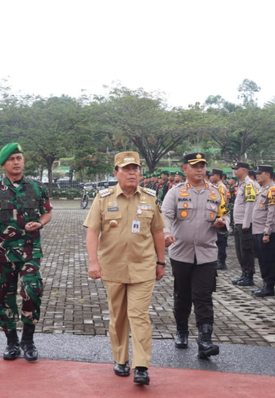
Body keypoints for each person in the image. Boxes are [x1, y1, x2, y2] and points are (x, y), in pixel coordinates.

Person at [84, 151, 165, 386]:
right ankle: (121, 359)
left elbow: (158, 231)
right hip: (113, 267)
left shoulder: (150, 198)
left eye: (135, 169)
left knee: (139, 316)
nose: (132, 173)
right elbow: (92, 231)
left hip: (143, 266)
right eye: (126, 169)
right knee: (118, 316)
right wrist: (93, 261)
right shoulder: (103, 198)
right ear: (116, 173)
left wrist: (161, 262)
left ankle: (141, 365)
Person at [0, 143, 52, 362]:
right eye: (11, 159)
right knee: (3, 295)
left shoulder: (37, 187)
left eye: (19, 158)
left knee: (32, 288)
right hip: (3, 253)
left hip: (30, 251)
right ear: (3, 164)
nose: (16, 162)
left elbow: (47, 212)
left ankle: (28, 339)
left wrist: (39, 223)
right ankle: (11, 341)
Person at [162, 153, 228, 358]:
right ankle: (181, 331)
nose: (200, 169)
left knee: (203, 296)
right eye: (195, 166)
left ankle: (205, 340)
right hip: (181, 253)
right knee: (183, 295)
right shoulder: (175, 192)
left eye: (202, 166)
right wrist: (165, 233)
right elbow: (165, 216)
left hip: (207, 253)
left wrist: (222, 223)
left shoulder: (216, 192)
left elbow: (225, 216)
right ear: (185, 169)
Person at [251, 165, 275, 297]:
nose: (257, 176)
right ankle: (265, 284)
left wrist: (267, 232)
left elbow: (272, 213)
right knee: (262, 260)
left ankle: (269, 286)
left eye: (260, 173)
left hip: (266, 232)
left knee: (268, 260)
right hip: (258, 230)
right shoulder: (263, 189)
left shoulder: (273, 190)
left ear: (267, 175)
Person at [231, 162, 257, 286]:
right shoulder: (241, 184)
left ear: (243, 170)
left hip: (245, 223)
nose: (234, 171)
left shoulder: (249, 184)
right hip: (238, 222)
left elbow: (250, 204)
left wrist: (246, 223)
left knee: (246, 250)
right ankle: (244, 273)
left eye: (236, 169)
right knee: (239, 249)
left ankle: (249, 275)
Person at [209, 168, 229, 270]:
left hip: (220, 215)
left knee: (221, 240)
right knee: (217, 240)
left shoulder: (221, 187)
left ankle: (222, 262)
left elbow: (222, 202)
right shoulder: (217, 186)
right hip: (217, 214)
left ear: (218, 176)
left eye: (213, 175)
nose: (211, 177)